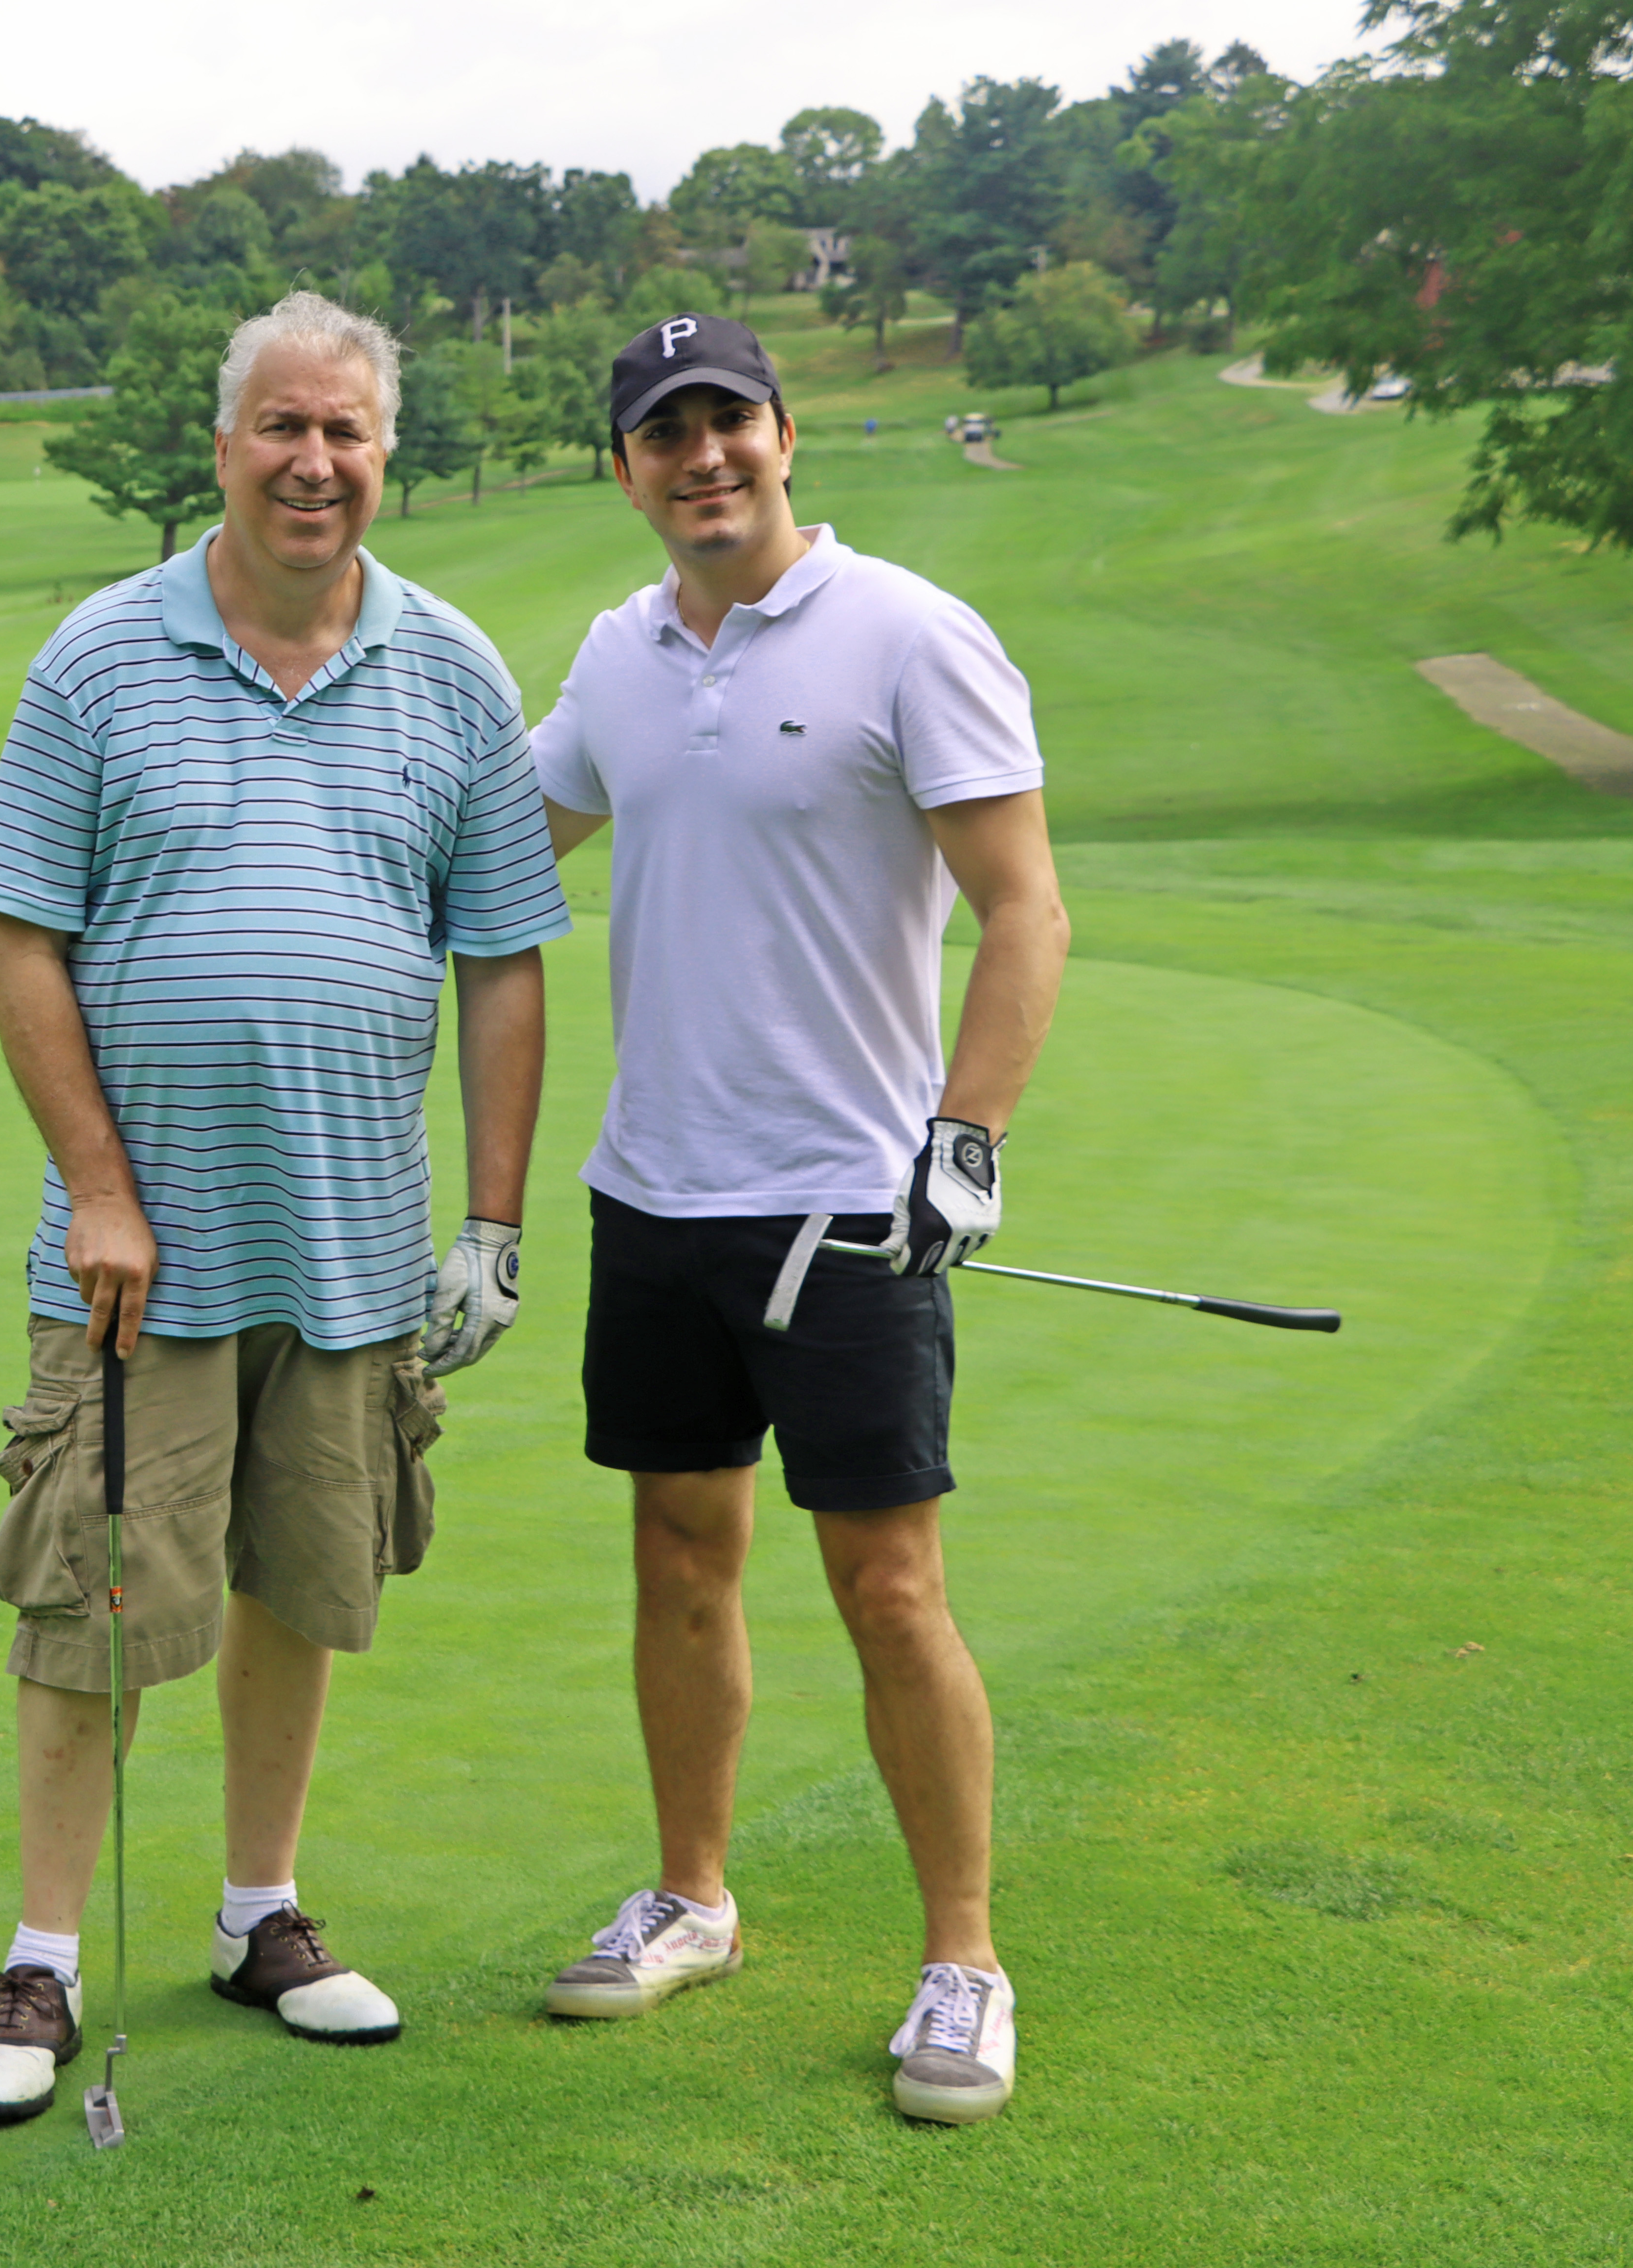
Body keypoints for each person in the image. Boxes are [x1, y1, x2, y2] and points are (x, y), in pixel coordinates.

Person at [0, 292, 568, 2126]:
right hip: (147, 1252)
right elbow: (19, 940)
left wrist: (495, 1225)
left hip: (359, 1236)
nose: (315, 463)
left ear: (388, 455)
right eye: (282, 429)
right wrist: (102, 1190)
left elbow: (506, 961)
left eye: (348, 434)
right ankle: (45, 1959)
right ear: (223, 449)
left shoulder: (451, 667)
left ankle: (258, 1911)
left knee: (306, 1579)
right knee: (99, 1597)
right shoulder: (99, 655)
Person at [525, 312, 1071, 2125]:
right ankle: (693, 1897)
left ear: (784, 434)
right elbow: (506, 845)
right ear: (626, 467)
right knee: (679, 1556)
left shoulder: (909, 633)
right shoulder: (617, 654)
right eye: (663, 432)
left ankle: (965, 1963)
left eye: (727, 421)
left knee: (888, 1586)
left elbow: (1023, 905)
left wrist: (966, 1135)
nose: (702, 456)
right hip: (655, 1192)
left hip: (847, 1208)